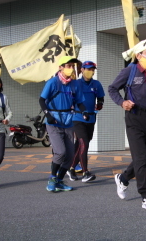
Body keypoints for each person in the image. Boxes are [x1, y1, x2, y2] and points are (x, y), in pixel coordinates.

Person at [108, 39, 146, 211]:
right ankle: (145, 196)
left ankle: (123, 179)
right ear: (138, 55)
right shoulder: (130, 71)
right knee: (140, 159)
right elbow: (112, 89)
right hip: (134, 117)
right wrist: (122, 102)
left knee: (144, 159)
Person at [39, 56, 90, 192]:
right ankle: (52, 178)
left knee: (70, 155)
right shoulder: (53, 82)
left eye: (72, 66)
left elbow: (79, 102)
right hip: (54, 121)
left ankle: (60, 180)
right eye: (67, 66)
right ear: (60, 67)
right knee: (60, 152)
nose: (70, 68)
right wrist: (48, 115)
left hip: (68, 122)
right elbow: (42, 100)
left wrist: (84, 112)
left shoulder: (75, 84)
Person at [67, 61, 105, 183]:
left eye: (92, 69)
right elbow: (70, 98)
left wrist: (99, 104)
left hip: (91, 118)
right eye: (88, 69)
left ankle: (71, 168)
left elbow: (101, 98)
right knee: (84, 144)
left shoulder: (96, 84)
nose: (90, 71)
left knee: (80, 145)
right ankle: (85, 172)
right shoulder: (76, 83)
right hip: (77, 118)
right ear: (82, 70)